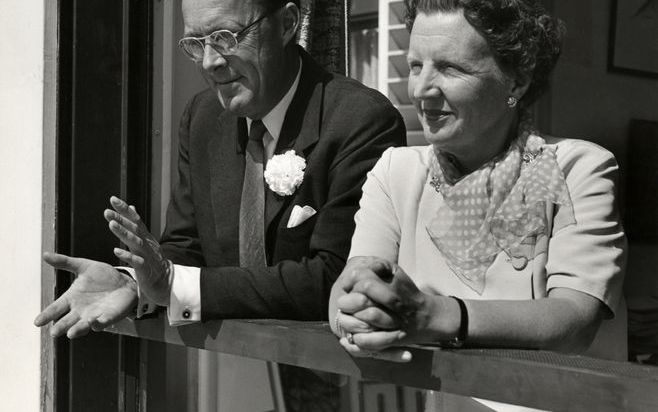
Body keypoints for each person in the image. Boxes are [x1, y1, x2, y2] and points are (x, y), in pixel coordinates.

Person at [35, 0, 405, 410]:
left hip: (348, 385)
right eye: (195, 43)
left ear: (286, 24)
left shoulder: (361, 120)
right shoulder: (203, 117)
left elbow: (335, 279)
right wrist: (133, 282)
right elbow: (185, 249)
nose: (210, 62)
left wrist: (174, 284)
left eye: (225, 37)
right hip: (232, 386)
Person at [329, 0, 626, 407]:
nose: (420, 89)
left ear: (517, 81)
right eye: (416, 66)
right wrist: (352, 313)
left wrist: (436, 316)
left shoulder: (577, 168)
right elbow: (354, 282)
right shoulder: (396, 171)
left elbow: (574, 320)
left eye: (450, 68)